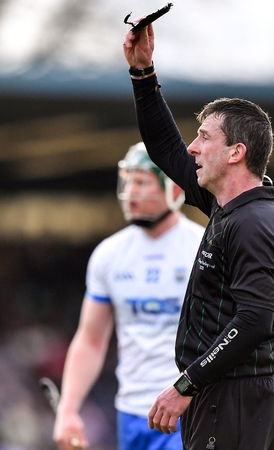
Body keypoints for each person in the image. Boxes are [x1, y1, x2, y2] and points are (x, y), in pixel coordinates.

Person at [122, 20, 274, 450]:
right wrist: (143, 73)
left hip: (233, 397)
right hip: (223, 393)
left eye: (204, 137)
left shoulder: (254, 223)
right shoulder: (227, 205)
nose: (193, 147)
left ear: (236, 152)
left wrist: (187, 383)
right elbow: (165, 149)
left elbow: (254, 319)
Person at [53, 143, 205, 450]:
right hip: (132, 413)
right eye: (129, 181)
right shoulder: (109, 254)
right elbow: (90, 339)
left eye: (142, 182)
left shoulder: (204, 247)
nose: (132, 192)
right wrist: (68, 410)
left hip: (190, 410)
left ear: (174, 188)